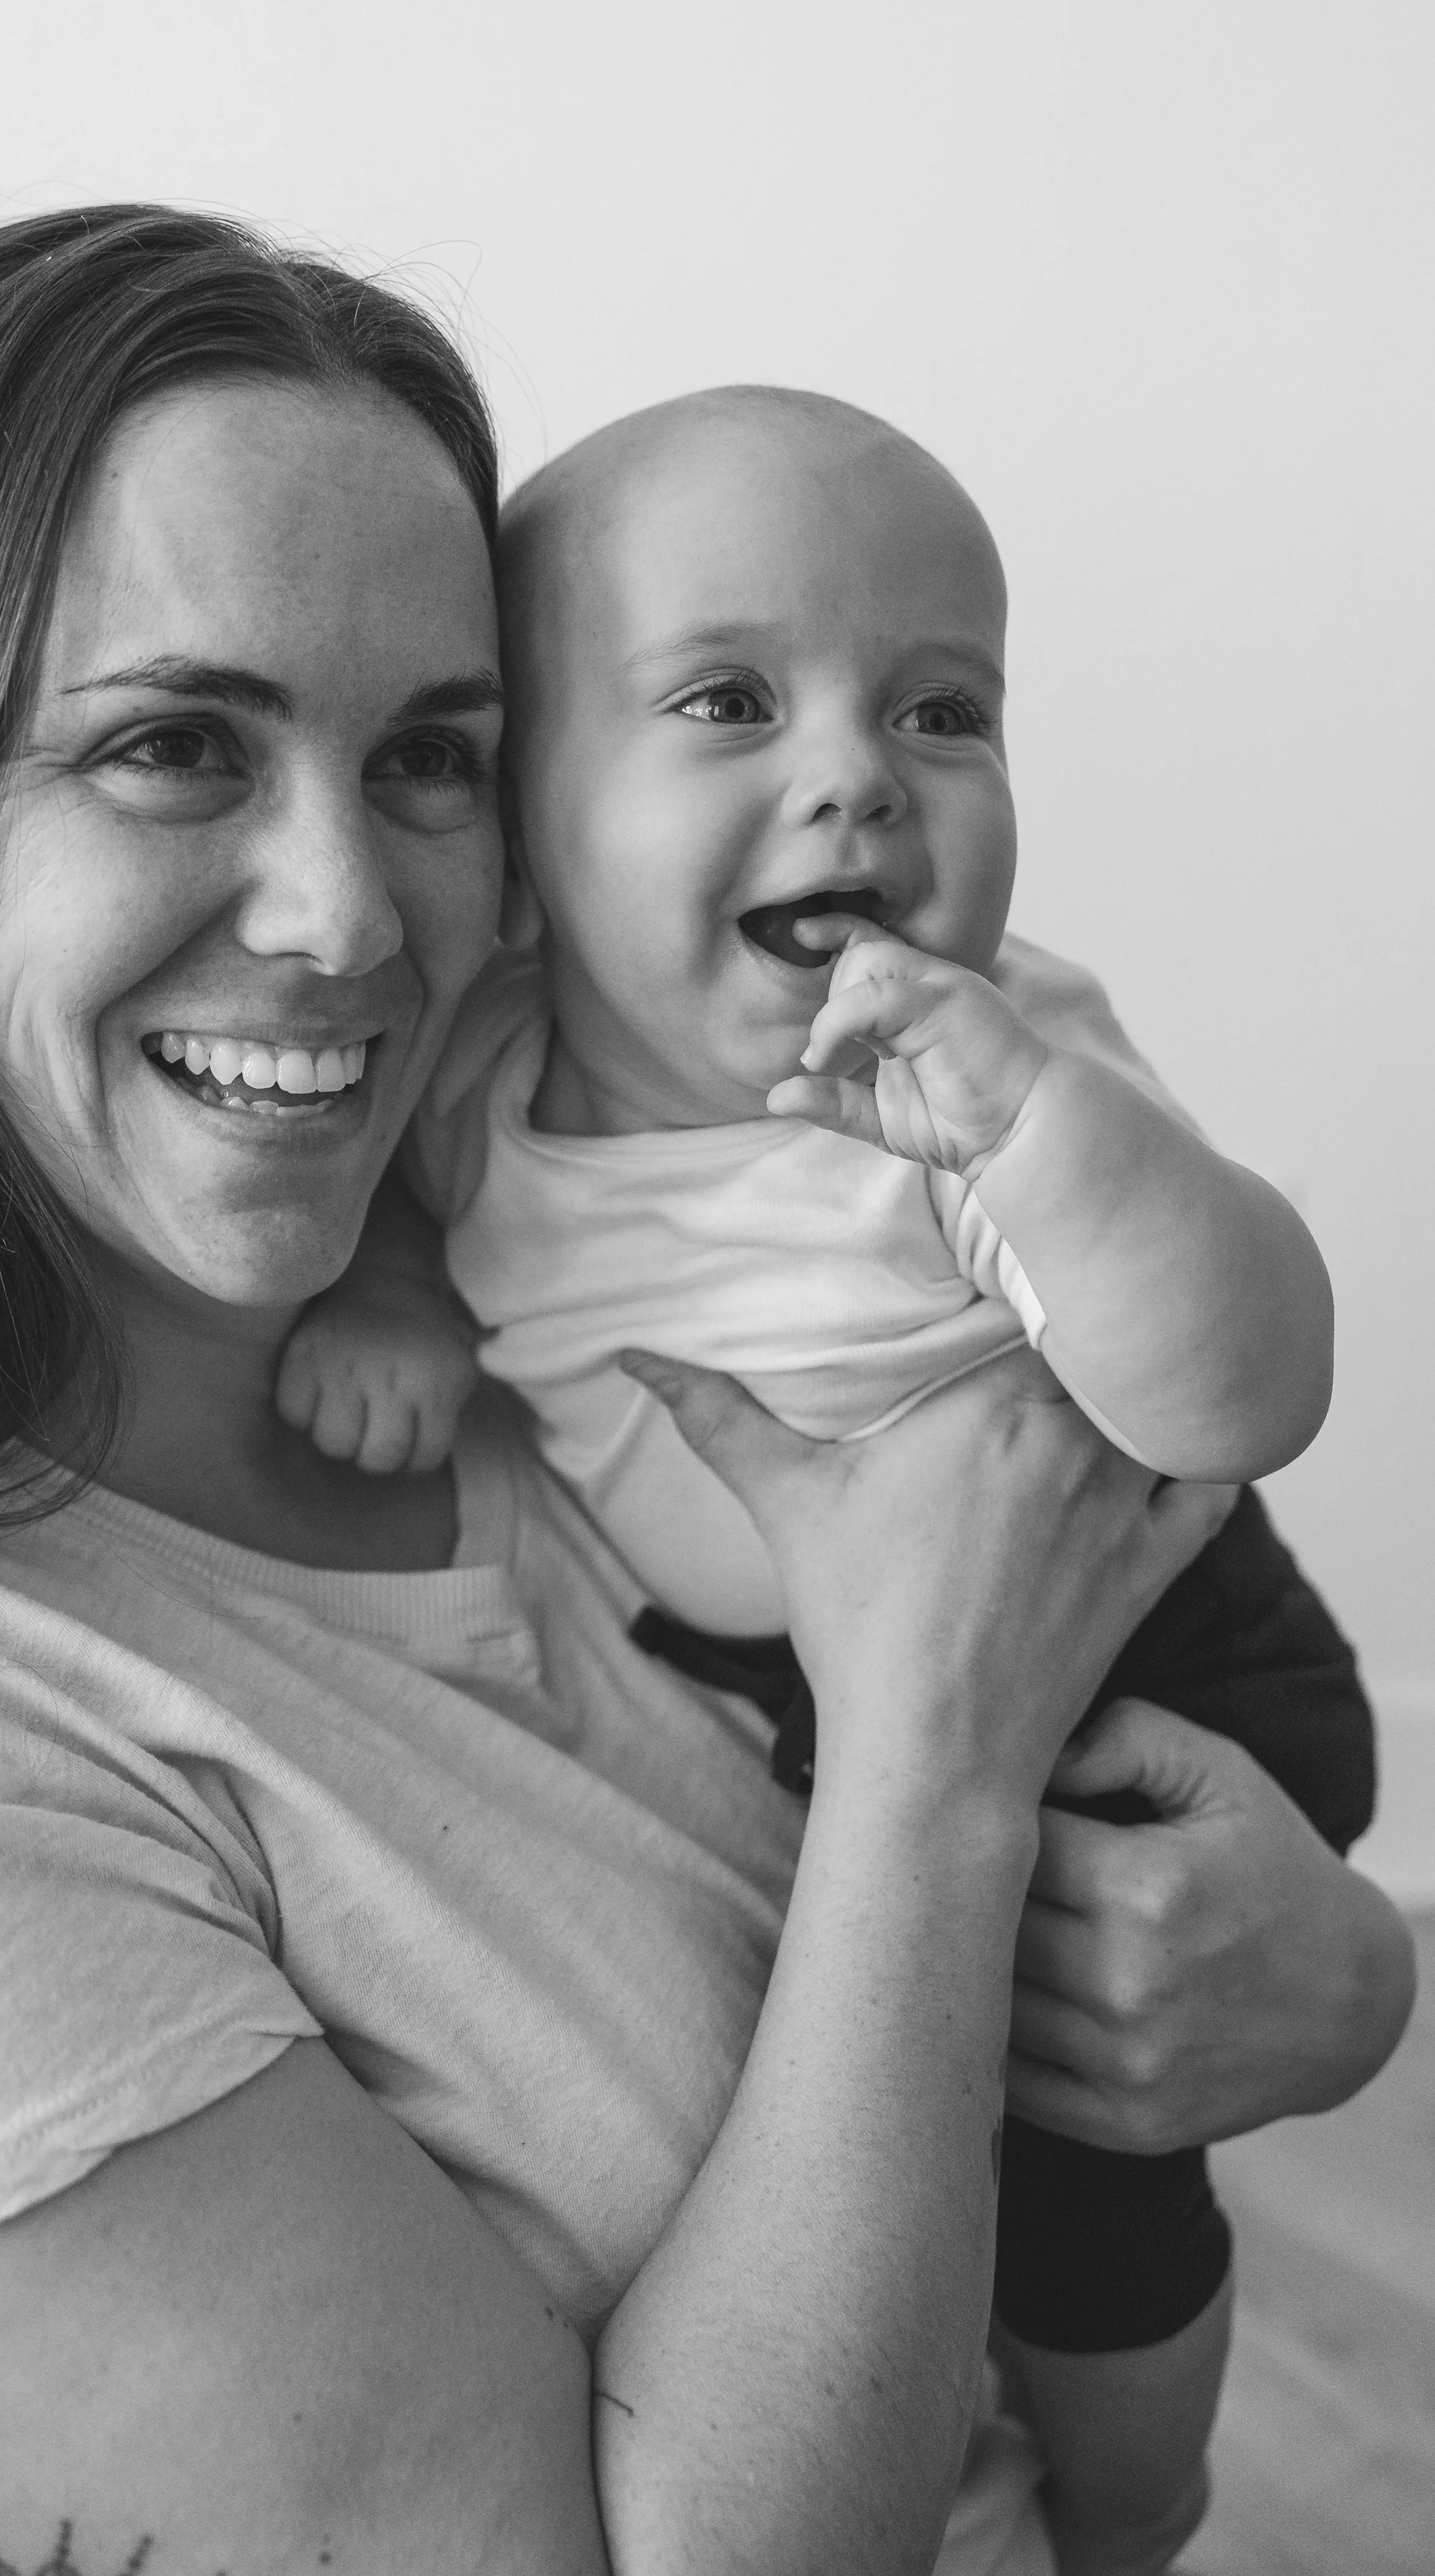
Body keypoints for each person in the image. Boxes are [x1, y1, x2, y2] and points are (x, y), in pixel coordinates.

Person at [0, 210, 1413, 2576]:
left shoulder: (529, 1357)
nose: (348, 913)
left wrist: (1320, 1979)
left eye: (434, 758)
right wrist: (940, 1767)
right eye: (174, 744)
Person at [274, 382, 1380, 2557]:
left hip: (1136, 1666)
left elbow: (1242, 1389)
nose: (856, 774)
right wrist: (397, 1302)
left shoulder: (979, 1067)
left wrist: (1048, 1143)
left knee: (1072, 2156)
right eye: (723, 700)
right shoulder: (480, 1056)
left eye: (941, 710)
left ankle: (1140, 2499)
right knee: (884, 2115)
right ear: (524, 813)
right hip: (788, 1697)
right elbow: (401, 1212)